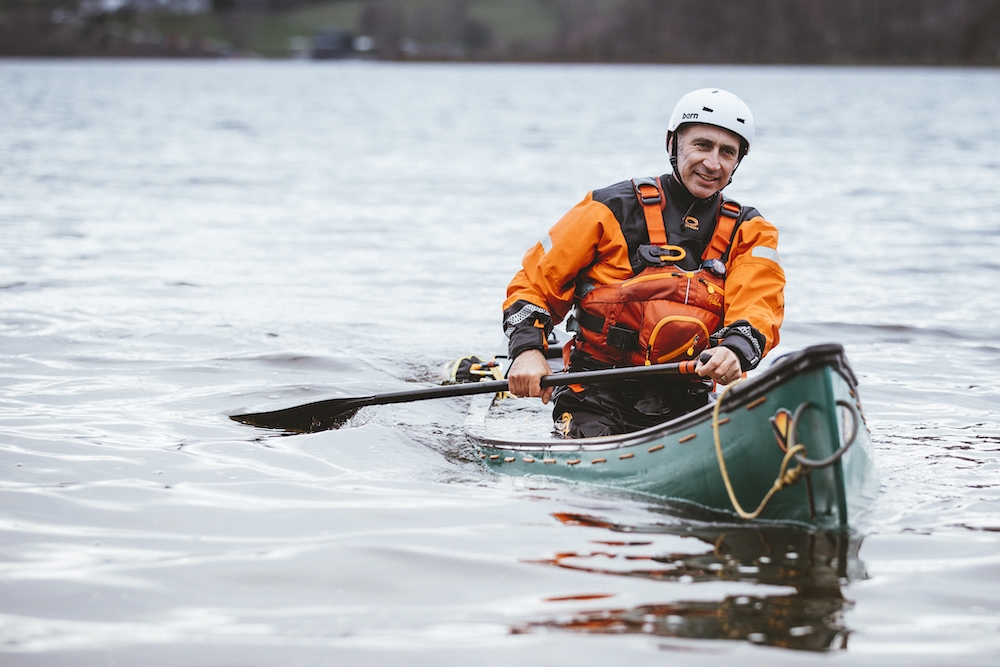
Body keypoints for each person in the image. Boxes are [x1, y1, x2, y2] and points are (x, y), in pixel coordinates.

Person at [502, 88, 785, 438]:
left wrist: (736, 350)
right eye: (702, 145)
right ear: (673, 144)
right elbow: (533, 284)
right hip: (594, 393)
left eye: (727, 152)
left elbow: (760, 302)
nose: (713, 163)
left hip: (687, 397)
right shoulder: (609, 208)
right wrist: (527, 351)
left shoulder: (750, 230)